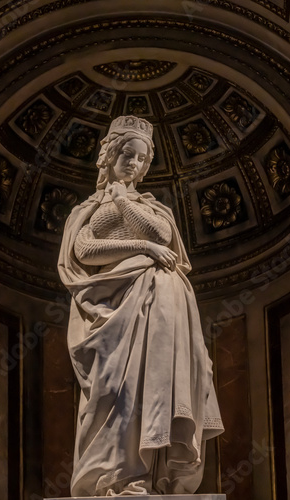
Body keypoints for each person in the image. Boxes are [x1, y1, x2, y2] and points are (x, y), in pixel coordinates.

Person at [58, 115, 224, 497]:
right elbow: (84, 250)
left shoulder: (153, 208)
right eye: (126, 154)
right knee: (116, 389)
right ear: (111, 154)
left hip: (163, 305)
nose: (133, 163)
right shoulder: (86, 210)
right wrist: (142, 248)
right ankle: (119, 478)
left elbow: (159, 233)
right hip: (110, 308)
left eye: (140, 158)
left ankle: (156, 477)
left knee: (159, 384)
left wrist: (125, 204)